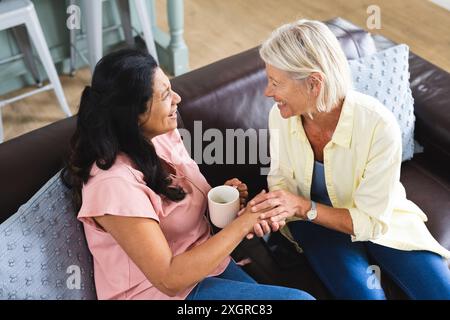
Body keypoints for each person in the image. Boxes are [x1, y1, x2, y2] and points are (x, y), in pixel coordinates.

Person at [62, 49, 314, 300]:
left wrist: (229, 203)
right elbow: (168, 279)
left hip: (207, 268)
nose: (177, 99)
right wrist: (245, 221)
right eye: (165, 95)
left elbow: (185, 212)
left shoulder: (161, 136)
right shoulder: (113, 184)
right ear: (133, 114)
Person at [247, 19, 450, 299]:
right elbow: (281, 181)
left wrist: (303, 206)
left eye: (275, 82)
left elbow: (371, 221)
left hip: (376, 218)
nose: (268, 93)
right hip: (314, 226)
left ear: (314, 84)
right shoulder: (281, 117)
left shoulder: (378, 125)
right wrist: (272, 210)